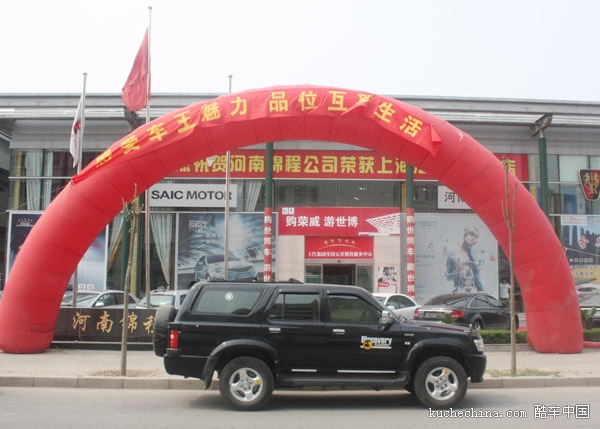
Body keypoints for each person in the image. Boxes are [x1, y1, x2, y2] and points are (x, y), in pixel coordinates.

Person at [445, 226, 484, 293]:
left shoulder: (473, 254)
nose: (473, 238)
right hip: (458, 292)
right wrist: (457, 270)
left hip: (473, 292)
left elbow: (477, 274)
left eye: (476, 237)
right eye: (471, 234)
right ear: (465, 235)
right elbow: (448, 277)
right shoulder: (453, 254)